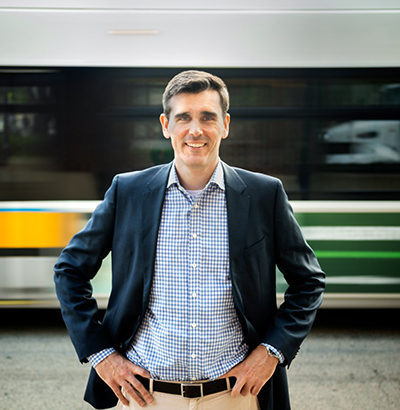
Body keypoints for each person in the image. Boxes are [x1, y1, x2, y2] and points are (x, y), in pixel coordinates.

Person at [54, 70, 325, 410]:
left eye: (207, 117)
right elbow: (69, 271)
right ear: (166, 125)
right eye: (183, 117)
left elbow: (308, 281)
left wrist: (271, 352)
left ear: (225, 124)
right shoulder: (128, 191)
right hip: (146, 396)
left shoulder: (263, 195)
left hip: (235, 396)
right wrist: (102, 355)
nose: (195, 130)